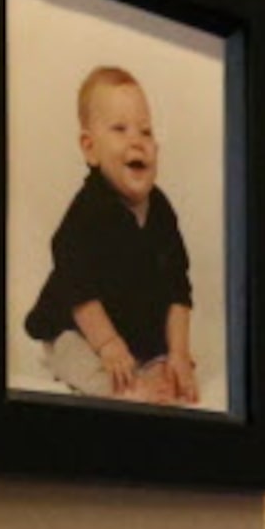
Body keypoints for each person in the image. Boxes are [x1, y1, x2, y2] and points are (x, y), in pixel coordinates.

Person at [21, 66, 199, 406]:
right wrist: (107, 344)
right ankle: (120, 385)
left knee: (167, 370)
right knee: (83, 361)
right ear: (90, 149)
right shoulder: (88, 212)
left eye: (146, 132)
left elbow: (179, 288)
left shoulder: (161, 211)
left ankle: (145, 371)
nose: (137, 140)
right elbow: (77, 285)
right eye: (120, 129)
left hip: (130, 323)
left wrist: (177, 353)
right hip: (75, 324)